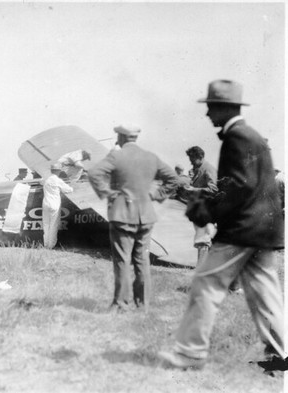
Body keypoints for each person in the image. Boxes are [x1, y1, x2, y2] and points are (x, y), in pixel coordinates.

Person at [159, 79, 286, 371]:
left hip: (242, 230)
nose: (207, 115)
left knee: (205, 283)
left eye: (210, 108)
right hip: (262, 232)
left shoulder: (236, 137)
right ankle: (280, 358)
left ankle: (190, 354)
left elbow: (239, 187)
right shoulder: (251, 135)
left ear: (223, 108)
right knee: (266, 294)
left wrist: (206, 211)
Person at [88, 124, 178, 311]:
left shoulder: (116, 156)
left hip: (122, 214)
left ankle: (122, 303)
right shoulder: (151, 157)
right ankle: (143, 303)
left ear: (121, 137)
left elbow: (94, 173)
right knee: (142, 259)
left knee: (122, 259)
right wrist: (156, 195)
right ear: (135, 138)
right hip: (146, 215)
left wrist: (109, 193)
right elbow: (173, 179)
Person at [184, 146, 218, 267]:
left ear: (201, 157)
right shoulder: (198, 169)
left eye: (192, 158)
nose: (191, 161)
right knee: (205, 241)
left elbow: (213, 189)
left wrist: (194, 189)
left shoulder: (208, 168)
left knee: (203, 241)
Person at [42, 163, 73, 249]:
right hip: (54, 204)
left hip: (46, 204)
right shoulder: (58, 180)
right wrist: (72, 188)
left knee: (46, 224)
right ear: (58, 171)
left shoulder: (47, 180)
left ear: (51, 170)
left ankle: (46, 244)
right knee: (53, 225)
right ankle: (51, 245)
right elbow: (68, 189)